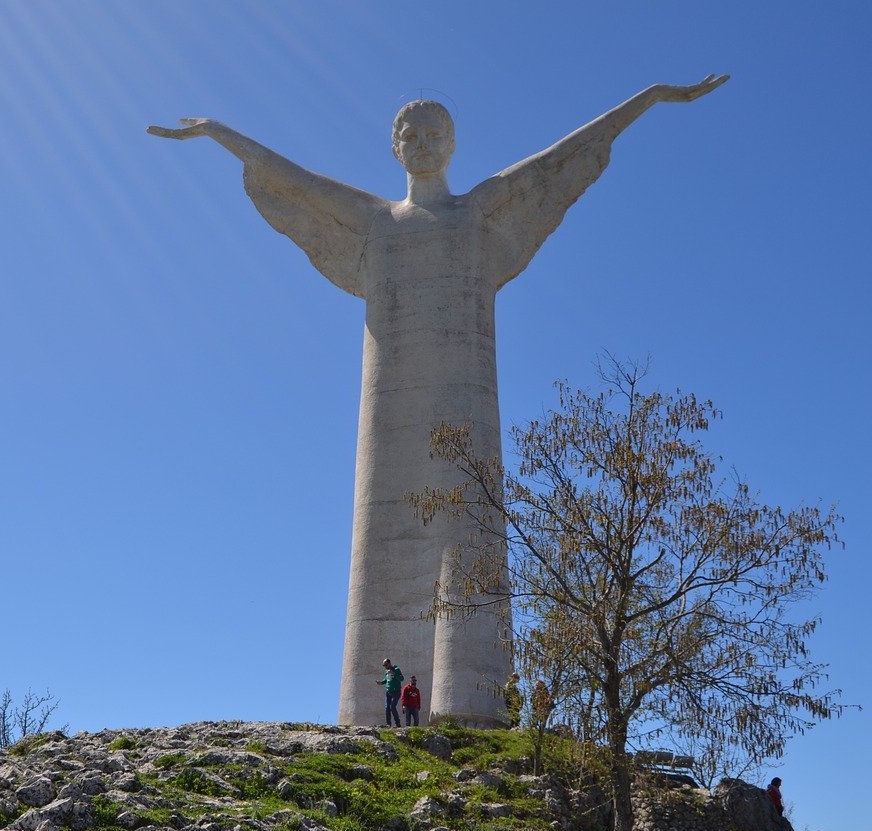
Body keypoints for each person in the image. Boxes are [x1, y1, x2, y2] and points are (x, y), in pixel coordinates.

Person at [149, 74, 728, 729]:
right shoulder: (374, 223)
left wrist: (647, 98)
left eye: (435, 136)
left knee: (467, 545)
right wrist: (218, 133)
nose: (423, 145)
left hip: (465, 411)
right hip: (387, 424)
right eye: (411, 136)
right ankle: (373, 715)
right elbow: (297, 182)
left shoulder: (479, 213)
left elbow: (558, 161)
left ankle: (470, 707)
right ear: (396, 149)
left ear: (452, 146)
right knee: (379, 552)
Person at [379, 658, 404, 726]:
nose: (385, 666)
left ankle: (397, 723)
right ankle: (388, 724)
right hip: (388, 692)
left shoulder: (396, 669)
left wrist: (394, 674)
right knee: (387, 708)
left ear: (389, 663)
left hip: (396, 692)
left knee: (392, 706)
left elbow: (402, 678)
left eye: (386, 665)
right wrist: (381, 682)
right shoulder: (387, 671)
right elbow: (387, 680)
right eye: (384, 665)